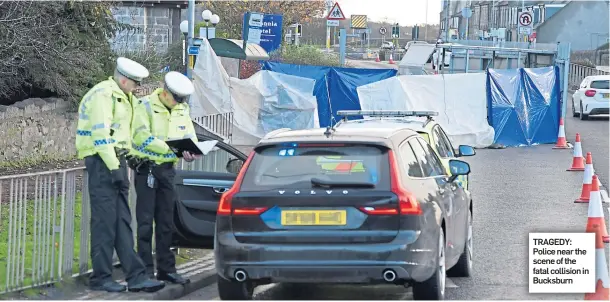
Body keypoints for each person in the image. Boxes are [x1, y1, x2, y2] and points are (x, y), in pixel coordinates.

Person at [75, 57, 166, 293]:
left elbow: (130, 136)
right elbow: (101, 136)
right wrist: (114, 167)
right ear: (124, 80)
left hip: (116, 161)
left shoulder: (125, 98)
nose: (137, 88)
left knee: (122, 222)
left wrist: (167, 149)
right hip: (101, 161)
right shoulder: (103, 95)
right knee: (105, 223)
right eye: (135, 84)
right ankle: (101, 277)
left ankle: (135, 276)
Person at [130, 71, 201, 285]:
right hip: (147, 170)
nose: (179, 102)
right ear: (165, 91)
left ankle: (166, 269)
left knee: (166, 222)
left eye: (182, 99)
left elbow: (190, 137)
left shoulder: (182, 110)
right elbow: (141, 137)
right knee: (144, 223)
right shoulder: (145, 106)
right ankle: (143, 272)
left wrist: (191, 152)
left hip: (168, 171)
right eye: (176, 98)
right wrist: (172, 148)